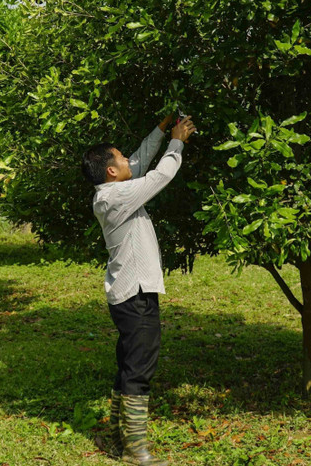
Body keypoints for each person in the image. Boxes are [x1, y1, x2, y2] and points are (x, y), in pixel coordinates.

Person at [82, 112, 196, 466]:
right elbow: (161, 174)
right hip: (136, 295)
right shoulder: (117, 196)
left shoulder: (111, 192)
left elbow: (138, 162)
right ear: (111, 171)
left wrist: (159, 130)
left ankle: (119, 439)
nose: (128, 161)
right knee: (138, 370)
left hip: (127, 294)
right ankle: (135, 452)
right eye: (120, 158)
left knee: (127, 365)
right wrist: (177, 141)